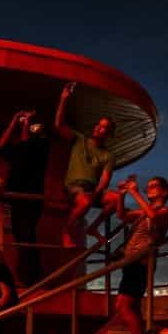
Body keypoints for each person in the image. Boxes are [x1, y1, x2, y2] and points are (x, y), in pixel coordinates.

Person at [54, 83, 120, 249]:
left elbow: (104, 180)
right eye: (99, 125)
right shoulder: (80, 140)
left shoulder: (108, 155)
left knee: (116, 198)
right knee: (85, 199)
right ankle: (66, 231)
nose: (99, 128)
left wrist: (95, 194)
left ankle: (93, 227)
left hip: (92, 189)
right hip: (74, 186)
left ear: (109, 134)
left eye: (105, 127)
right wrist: (63, 99)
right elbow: (59, 124)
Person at [112, 176, 168, 334]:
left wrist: (134, 192)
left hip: (142, 263)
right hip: (131, 262)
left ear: (164, 191)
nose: (149, 189)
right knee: (131, 306)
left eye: (153, 185)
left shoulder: (165, 211)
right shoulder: (143, 211)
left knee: (123, 305)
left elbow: (153, 216)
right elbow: (122, 216)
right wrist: (122, 194)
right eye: (148, 186)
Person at [0, 109, 50, 287]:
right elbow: (2, 146)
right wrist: (14, 121)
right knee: (21, 237)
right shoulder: (21, 149)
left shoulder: (41, 146)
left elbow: (25, 144)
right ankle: (27, 276)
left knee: (26, 236)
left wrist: (24, 124)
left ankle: (30, 278)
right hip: (17, 198)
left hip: (30, 197)